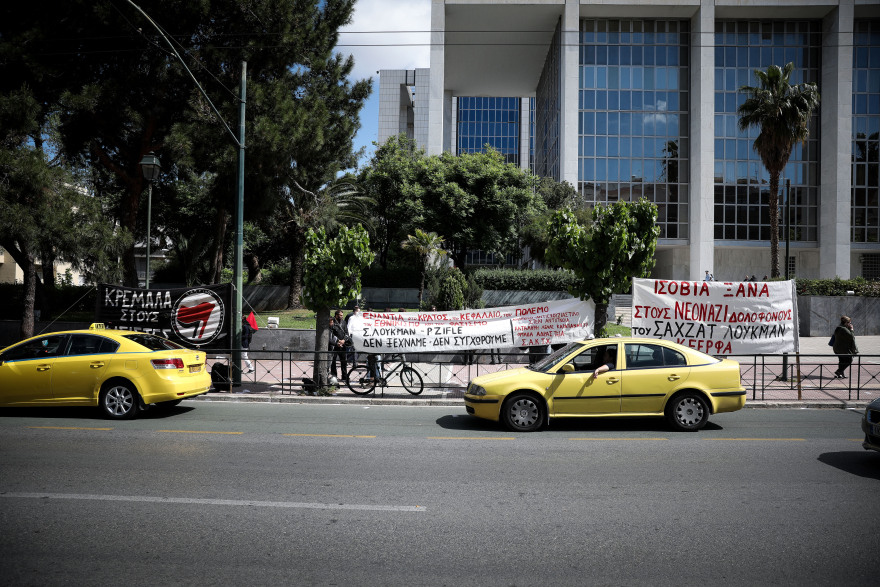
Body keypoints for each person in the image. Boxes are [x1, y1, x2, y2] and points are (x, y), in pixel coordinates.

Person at [329, 311, 350, 381]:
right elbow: (331, 333)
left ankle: (344, 376)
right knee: (333, 361)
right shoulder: (332, 322)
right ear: (336, 315)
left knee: (344, 361)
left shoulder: (344, 322)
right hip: (335, 345)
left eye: (342, 315)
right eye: (340, 315)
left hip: (343, 345)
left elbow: (346, 332)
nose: (341, 316)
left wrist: (344, 340)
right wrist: (338, 341)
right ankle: (334, 376)